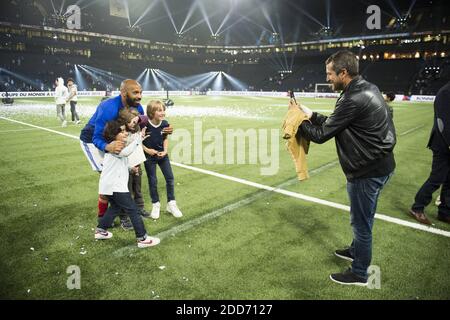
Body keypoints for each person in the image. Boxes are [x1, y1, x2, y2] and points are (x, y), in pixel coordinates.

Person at [297, 50, 396, 286]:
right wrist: (312, 114)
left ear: (343, 73)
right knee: (365, 217)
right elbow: (339, 121)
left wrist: (298, 122)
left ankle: (360, 273)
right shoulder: (366, 88)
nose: (328, 78)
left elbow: (321, 135)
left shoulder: (352, 98)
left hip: (366, 172)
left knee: (361, 224)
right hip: (382, 166)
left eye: (330, 74)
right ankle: (356, 250)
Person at [79, 79, 172, 228]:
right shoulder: (108, 107)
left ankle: (137, 208)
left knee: (136, 173)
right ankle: (105, 218)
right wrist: (108, 147)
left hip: (121, 140)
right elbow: (96, 137)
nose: (139, 96)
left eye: (140, 92)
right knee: (112, 180)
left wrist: (164, 129)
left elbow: (144, 127)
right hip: (94, 142)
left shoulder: (139, 108)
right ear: (123, 93)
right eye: (135, 92)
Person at [94, 120, 160, 248]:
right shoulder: (115, 145)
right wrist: (139, 139)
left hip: (109, 186)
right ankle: (142, 238)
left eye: (125, 131)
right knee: (133, 209)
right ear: (114, 134)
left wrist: (131, 168)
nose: (125, 133)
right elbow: (125, 153)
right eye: (122, 131)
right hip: (116, 186)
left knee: (115, 208)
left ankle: (101, 230)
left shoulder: (114, 147)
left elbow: (119, 162)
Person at [409, 81, 450, 225]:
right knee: (436, 178)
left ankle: (445, 212)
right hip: (443, 144)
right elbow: (443, 122)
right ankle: (417, 207)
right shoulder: (445, 92)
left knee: (449, 180)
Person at [142, 100, 182, 219]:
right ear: (151, 112)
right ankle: (156, 204)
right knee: (153, 181)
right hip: (149, 157)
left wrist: (165, 150)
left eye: (163, 110)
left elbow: (165, 138)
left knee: (170, 178)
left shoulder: (165, 123)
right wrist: (148, 150)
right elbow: (138, 141)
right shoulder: (145, 125)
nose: (162, 112)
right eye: (159, 110)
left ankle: (171, 203)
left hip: (163, 156)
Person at [118, 108, 151, 219]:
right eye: (128, 122)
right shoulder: (122, 131)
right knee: (126, 191)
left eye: (133, 121)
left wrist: (137, 119)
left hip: (137, 163)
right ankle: (124, 216)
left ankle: (139, 208)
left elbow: (147, 118)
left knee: (137, 188)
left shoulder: (138, 127)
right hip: (125, 166)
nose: (131, 124)